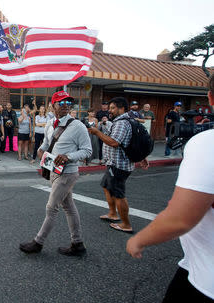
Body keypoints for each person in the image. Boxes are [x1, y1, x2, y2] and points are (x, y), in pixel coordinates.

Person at [126, 74, 214, 302]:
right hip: (194, 265)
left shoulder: (207, 143)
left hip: (207, 282)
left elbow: (180, 218)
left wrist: (139, 240)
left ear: (210, 99)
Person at [19, 91, 92, 256]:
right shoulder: (50, 123)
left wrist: (68, 157)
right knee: (69, 207)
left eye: (68, 103)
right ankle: (78, 243)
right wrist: (40, 151)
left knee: (51, 208)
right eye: (62, 103)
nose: (66, 106)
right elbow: (45, 144)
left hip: (68, 173)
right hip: (53, 171)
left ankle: (38, 242)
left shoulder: (77, 126)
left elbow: (88, 151)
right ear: (53, 105)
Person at [88, 97, 148, 233]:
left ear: (121, 109)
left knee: (118, 193)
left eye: (113, 108)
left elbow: (115, 142)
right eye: (110, 108)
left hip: (119, 164)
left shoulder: (122, 123)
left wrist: (97, 132)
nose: (110, 110)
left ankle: (126, 224)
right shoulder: (123, 121)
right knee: (106, 186)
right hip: (113, 163)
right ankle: (112, 214)